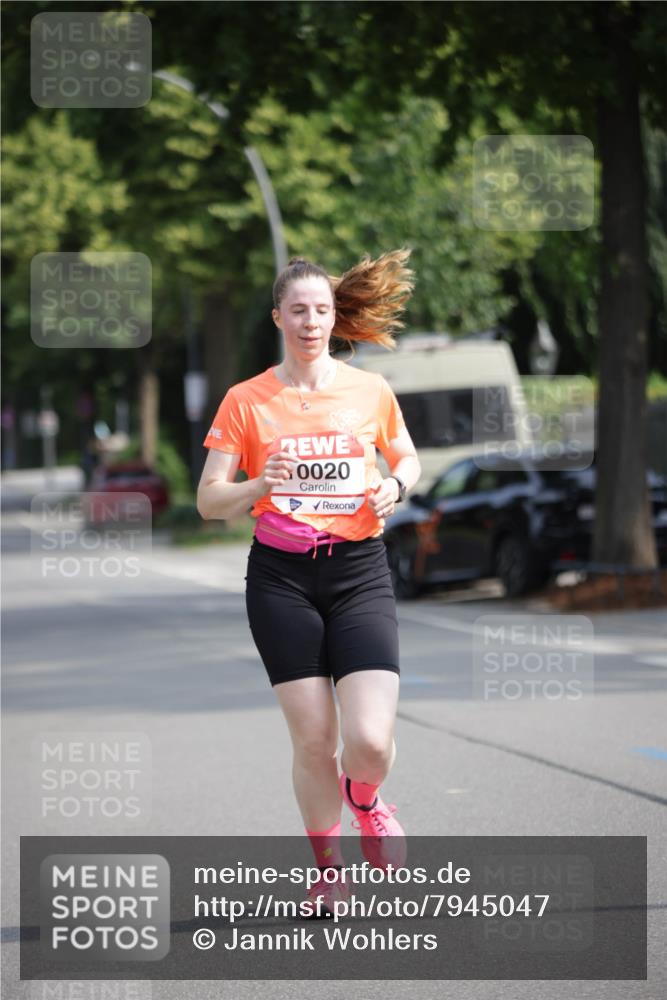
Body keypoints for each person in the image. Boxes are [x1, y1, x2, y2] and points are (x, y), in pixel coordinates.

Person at [197, 250, 421, 917]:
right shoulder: (247, 400)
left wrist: (392, 484)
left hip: (357, 572)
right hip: (281, 578)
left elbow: (405, 454)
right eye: (298, 309)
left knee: (370, 741)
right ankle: (328, 872)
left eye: (321, 309)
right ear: (278, 318)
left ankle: (364, 799)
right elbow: (210, 499)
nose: (311, 320)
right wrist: (262, 484)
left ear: (334, 317)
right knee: (314, 740)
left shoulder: (368, 390)